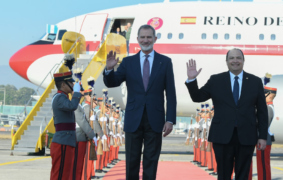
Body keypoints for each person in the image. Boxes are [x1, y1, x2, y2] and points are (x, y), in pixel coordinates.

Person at [103, 24, 176, 180]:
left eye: (149, 37)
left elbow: (171, 93)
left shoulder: (165, 62)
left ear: (155, 39)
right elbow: (113, 82)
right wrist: (109, 70)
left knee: (151, 161)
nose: (145, 40)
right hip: (133, 118)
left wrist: (170, 119)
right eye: (142, 37)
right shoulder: (128, 62)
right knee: (131, 161)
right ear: (137, 39)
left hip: (155, 120)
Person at [185, 48, 268, 180]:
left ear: (243, 60)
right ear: (226, 61)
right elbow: (197, 97)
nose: (235, 61)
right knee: (223, 175)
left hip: (247, 135)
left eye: (238, 58)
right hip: (222, 135)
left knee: (243, 174)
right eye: (231, 58)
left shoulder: (255, 81)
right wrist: (191, 80)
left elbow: (262, 112)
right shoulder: (216, 80)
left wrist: (262, 136)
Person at [50, 71, 82, 180]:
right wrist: (76, 93)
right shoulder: (59, 98)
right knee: (60, 175)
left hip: (66, 140)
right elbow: (72, 106)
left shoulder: (63, 97)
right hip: (63, 141)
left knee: (65, 174)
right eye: (70, 83)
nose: (73, 85)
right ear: (63, 84)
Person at [74, 88, 96, 180]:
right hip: (79, 136)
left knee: (81, 163)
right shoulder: (76, 106)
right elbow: (82, 122)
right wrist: (91, 134)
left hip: (82, 136)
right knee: (79, 163)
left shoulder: (79, 106)